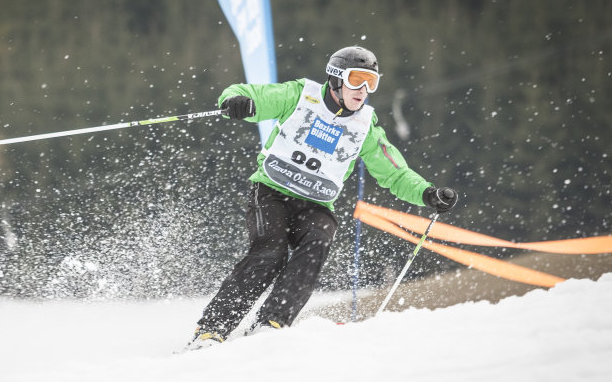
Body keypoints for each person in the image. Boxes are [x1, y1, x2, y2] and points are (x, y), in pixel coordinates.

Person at [187, 46, 458, 349]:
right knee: (271, 253)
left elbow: (395, 174)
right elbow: (249, 93)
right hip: (272, 192)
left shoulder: (365, 127)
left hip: (315, 204)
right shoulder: (301, 96)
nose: (363, 89)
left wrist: (426, 193)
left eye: (371, 82)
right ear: (336, 79)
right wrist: (236, 102)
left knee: (318, 241)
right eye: (356, 80)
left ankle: (271, 322)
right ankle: (211, 330)